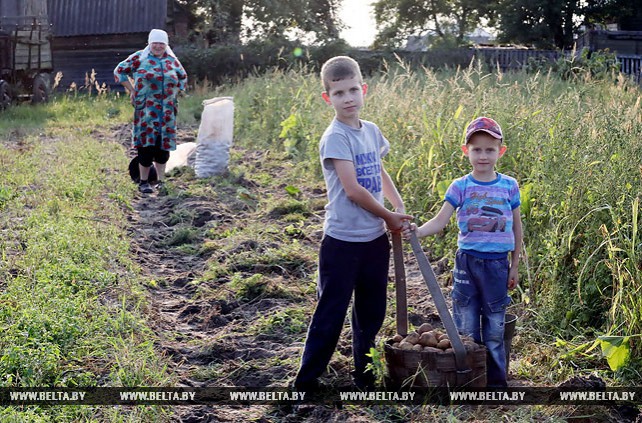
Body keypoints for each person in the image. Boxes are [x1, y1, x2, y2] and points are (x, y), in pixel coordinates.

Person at [294, 56, 413, 391]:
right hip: (343, 241)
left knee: (371, 312)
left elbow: (378, 170)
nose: (347, 98)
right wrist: (389, 217)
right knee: (330, 313)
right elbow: (353, 189)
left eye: (352, 90)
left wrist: (398, 204)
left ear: (363, 90)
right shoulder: (335, 137)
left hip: (374, 240)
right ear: (327, 98)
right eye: (338, 93)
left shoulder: (371, 131)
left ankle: (365, 377)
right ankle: (306, 381)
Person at [403, 116, 522, 387]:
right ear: (465, 151)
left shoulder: (509, 186)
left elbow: (517, 229)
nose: (483, 155)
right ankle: (469, 382)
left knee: (494, 327)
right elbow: (441, 220)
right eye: (476, 149)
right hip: (467, 262)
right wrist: (418, 231)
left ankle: (495, 384)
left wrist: (514, 266)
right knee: (466, 326)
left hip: (497, 265)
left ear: (500, 152)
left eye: (489, 149)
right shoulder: (461, 186)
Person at [114, 28, 187, 194]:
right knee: (146, 147)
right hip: (146, 110)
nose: (158, 46)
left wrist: (176, 94)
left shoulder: (172, 60)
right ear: (149, 43)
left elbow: (183, 77)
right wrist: (132, 90)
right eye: (155, 43)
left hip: (167, 113)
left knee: (163, 148)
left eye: (162, 43)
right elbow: (119, 71)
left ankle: (161, 181)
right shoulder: (140, 57)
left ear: (166, 44)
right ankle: (144, 182)